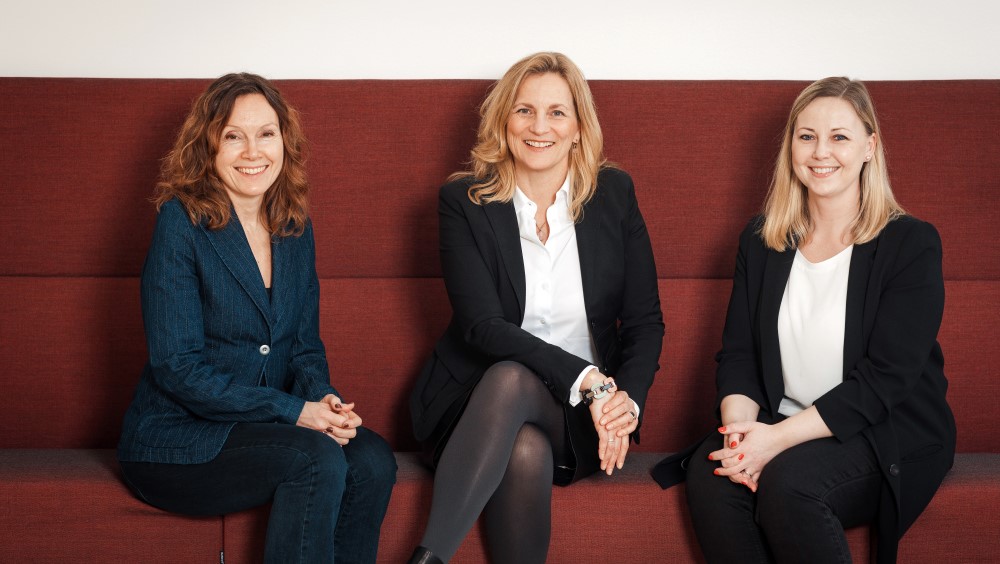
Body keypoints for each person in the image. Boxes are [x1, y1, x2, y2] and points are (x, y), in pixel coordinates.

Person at [117, 72, 397, 564]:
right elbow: (177, 367)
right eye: (233, 136)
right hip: (178, 439)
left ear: (284, 142)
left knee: (372, 458)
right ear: (209, 147)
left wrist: (322, 401)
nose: (253, 152)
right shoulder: (181, 222)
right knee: (313, 458)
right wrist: (293, 412)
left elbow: (304, 345)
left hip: (262, 429)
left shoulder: (293, 223)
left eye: (265, 134)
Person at [679, 77, 955, 564]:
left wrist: (774, 443)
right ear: (791, 146)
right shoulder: (762, 239)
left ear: (870, 147)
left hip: (885, 430)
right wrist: (741, 436)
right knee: (712, 472)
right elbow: (739, 353)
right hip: (782, 420)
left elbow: (885, 381)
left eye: (839, 137)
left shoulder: (910, 245)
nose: (820, 151)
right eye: (806, 136)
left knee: (789, 484)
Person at [407, 52, 664, 564]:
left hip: (582, 416)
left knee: (525, 415)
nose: (539, 127)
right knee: (519, 422)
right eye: (524, 111)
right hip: (474, 404)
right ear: (503, 122)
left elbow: (644, 322)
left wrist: (622, 403)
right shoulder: (465, 201)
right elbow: (483, 327)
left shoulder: (614, 195)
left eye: (556, 113)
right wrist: (591, 379)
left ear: (577, 127)